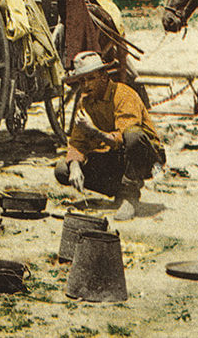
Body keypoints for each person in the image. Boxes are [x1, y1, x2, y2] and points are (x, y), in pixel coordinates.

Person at [54, 51, 165, 221]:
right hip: (114, 158)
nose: (85, 85)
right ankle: (119, 192)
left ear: (104, 77)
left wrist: (94, 131)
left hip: (146, 157)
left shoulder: (123, 95)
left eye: (90, 78)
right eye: (81, 80)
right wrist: (75, 166)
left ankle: (130, 197)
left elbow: (124, 138)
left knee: (132, 135)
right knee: (63, 169)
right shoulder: (85, 102)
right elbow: (77, 141)